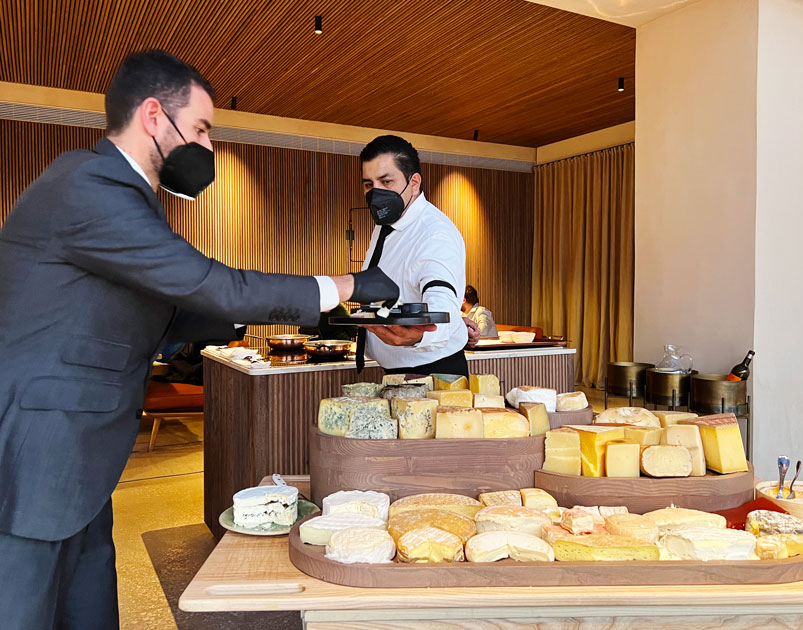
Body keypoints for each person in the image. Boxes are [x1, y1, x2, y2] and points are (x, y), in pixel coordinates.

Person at [0, 49, 398, 630]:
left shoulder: (123, 194)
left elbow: (172, 311)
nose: (208, 147)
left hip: (79, 452)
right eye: (203, 128)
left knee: (83, 606)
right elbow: (208, 283)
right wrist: (347, 283)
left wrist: (332, 317)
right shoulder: (89, 183)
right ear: (155, 116)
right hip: (43, 447)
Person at [355, 135, 471, 377]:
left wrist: (429, 330)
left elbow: (441, 302)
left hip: (434, 372)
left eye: (386, 181)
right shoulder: (386, 226)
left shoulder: (434, 232)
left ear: (414, 182)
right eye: (368, 184)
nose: (376, 193)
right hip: (396, 369)